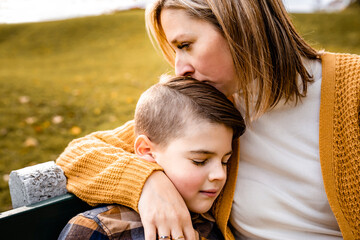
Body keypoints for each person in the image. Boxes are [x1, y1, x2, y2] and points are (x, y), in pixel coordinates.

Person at [56, 0, 360, 239]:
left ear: (239, 26)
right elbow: (79, 154)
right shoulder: (214, 109)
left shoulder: (351, 88)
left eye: (185, 45)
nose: (179, 69)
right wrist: (148, 184)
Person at [58, 76, 245, 240]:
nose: (219, 175)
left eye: (225, 161)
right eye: (199, 161)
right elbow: (76, 153)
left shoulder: (212, 223)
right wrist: (147, 179)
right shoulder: (101, 229)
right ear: (146, 150)